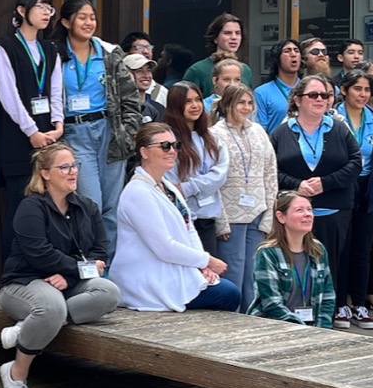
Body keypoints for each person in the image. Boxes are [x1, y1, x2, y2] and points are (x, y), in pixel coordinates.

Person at [0, 144, 120, 388]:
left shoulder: (87, 207)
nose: (72, 171)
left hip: (66, 283)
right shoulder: (31, 207)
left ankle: (25, 328)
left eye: (74, 165)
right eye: (64, 167)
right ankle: (16, 373)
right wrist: (76, 270)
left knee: (108, 292)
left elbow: (100, 254)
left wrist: (70, 276)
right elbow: (40, 255)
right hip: (23, 282)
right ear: (45, 174)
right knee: (51, 306)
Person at [113, 123, 241, 312]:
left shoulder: (168, 186)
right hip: (149, 278)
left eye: (175, 145)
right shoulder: (137, 192)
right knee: (227, 294)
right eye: (165, 146)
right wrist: (207, 261)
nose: (172, 151)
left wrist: (202, 268)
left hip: (176, 268)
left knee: (228, 291)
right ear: (144, 152)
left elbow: (189, 229)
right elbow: (164, 247)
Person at [48, 0, 141, 245]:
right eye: (82, 17)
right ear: (67, 22)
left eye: (92, 17)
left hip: (109, 132)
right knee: (91, 203)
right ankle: (90, 261)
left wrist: (129, 133)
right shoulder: (54, 54)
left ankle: (107, 268)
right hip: (74, 132)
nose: (89, 22)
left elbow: (130, 98)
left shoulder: (109, 53)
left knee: (112, 205)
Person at [269, 75, 362, 310]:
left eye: (325, 95)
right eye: (313, 95)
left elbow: (355, 163)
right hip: (294, 214)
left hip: (334, 209)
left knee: (330, 265)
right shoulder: (281, 132)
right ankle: (295, 311)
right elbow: (270, 170)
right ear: (298, 100)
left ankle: (329, 312)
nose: (320, 99)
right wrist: (297, 185)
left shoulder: (340, 129)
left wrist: (326, 183)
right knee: (296, 264)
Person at [0, 0, 64, 259]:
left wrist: (58, 123)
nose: (46, 12)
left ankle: (42, 268)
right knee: (19, 207)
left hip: (50, 138)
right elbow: (7, 94)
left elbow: (56, 90)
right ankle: (12, 273)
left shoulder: (50, 49)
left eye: (49, 8)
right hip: (18, 139)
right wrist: (31, 130)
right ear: (22, 11)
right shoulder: (6, 46)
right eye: (40, 7)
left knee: (48, 207)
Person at [210, 85, 278, 311]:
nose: (246, 108)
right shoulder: (215, 134)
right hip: (230, 216)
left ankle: (253, 316)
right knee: (233, 270)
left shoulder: (259, 132)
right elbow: (212, 182)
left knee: (254, 272)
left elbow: (270, 173)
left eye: (250, 103)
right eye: (241, 103)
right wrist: (221, 221)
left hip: (257, 212)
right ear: (228, 104)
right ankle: (232, 319)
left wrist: (270, 215)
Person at [333, 69, 373, 330]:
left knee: (363, 250)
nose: (363, 94)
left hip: (369, 188)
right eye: (357, 89)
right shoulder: (333, 117)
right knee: (342, 249)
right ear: (344, 90)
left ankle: (359, 303)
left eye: (367, 90)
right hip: (341, 187)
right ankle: (340, 304)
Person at [248, 192, 336, 328]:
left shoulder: (318, 249)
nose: (308, 214)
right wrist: (302, 329)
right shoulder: (267, 253)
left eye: (309, 209)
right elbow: (271, 304)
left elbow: (328, 297)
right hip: (274, 327)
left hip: (313, 328)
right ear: (281, 217)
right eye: (299, 210)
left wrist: (323, 329)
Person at [162, 83, 228, 254]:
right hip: (181, 220)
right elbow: (169, 179)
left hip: (208, 218)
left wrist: (188, 187)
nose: (195, 106)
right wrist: (182, 191)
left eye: (198, 100)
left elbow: (220, 173)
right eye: (188, 101)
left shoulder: (212, 137)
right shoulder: (167, 140)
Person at [182, 13, 254, 96]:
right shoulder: (197, 71)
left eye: (237, 33)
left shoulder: (245, 70)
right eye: (227, 33)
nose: (234, 37)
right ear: (215, 38)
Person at [254, 39, 302, 132]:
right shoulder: (262, 92)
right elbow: (260, 131)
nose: (293, 54)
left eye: (296, 51)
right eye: (287, 51)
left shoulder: (310, 89)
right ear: (277, 58)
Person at [124, 53, 166, 124]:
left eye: (148, 70)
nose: (146, 75)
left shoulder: (159, 108)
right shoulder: (118, 108)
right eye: (139, 70)